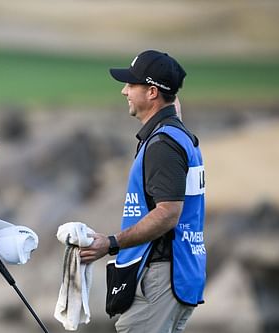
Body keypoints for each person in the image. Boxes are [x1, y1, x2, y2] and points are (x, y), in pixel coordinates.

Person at [80, 50, 206, 333]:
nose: (124, 90)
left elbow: (167, 214)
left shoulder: (162, 145)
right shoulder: (176, 135)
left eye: (131, 84)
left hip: (161, 278)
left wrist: (110, 243)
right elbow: (171, 104)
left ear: (151, 92)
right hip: (180, 272)